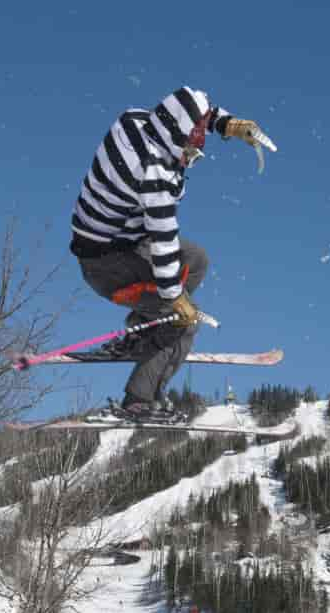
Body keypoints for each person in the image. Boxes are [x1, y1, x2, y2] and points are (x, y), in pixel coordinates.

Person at [69, 87, 268, 421]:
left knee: (196, 260)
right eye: (193, 141)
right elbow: (163, 243)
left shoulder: (135, 120)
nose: (195, 147)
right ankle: (138, 400)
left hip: (120, 239)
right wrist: (176, 300)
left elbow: (184, 109)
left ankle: (141, 335)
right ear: (175, 135)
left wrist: (225, 124)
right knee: (184, 321)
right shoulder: (153, 175)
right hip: (106, 265)